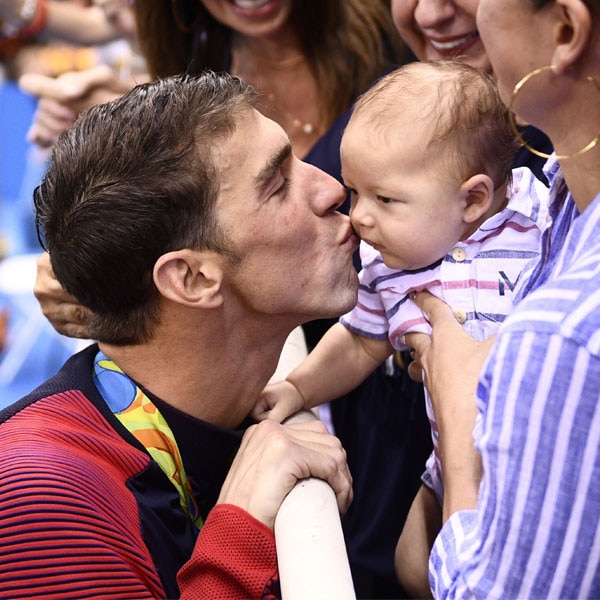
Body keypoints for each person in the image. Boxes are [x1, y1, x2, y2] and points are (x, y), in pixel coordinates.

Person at [0, 71, 356, 598]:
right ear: (191, 278)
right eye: (278, 185)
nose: (331, 188)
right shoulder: (39, 495)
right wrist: (240, 532)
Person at [253, 59, 549, 597]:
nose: (359, 218)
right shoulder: (390, 266)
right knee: (411, 563)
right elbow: (360, 341)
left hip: (533, 453)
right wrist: (296, 387)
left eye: (384, 200)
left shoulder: (539, 215)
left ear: (474, 198)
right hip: (449, 459)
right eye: (355, 193)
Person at [404, 0, 600, 597]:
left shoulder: (564, 336)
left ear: (566, 29)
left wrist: (459, 428)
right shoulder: (564, 205)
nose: (438, 12)